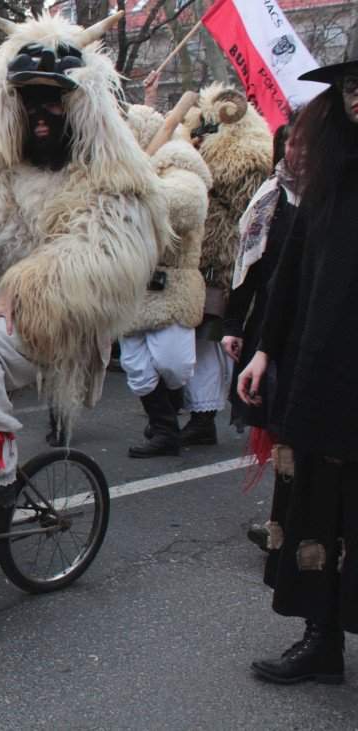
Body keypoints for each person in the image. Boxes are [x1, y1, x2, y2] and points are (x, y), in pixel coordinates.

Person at [0, 10, 165, 570]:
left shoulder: (112, 179)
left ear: (81, 107)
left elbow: (102, 258)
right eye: (28, 100)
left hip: (57, 324)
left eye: (54, 101)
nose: (40, 114)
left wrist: (22, 289)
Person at [238, 37, 358, 685]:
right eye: (349, 87)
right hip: (318, 378)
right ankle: (322, 642)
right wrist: (262, 347)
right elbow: (288, 275)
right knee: (319, 507)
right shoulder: (328, 175)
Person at [221, 120, 300, 551]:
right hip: (273, 328)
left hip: (317, 328)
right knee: (281, 430)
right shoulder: (270, 201)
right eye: (292, 144)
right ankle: (280, 523)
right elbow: (246, 272)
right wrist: (234, 326)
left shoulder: (331, 195)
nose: (299, 152)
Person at [180, 86, 272, 447]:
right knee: (189, 340)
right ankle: (192, 409)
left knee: (207, 340)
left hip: (220, 264)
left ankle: (203, 416)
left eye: (206, 130)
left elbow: (248, 215)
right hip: (192, 262)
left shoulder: (248, 163)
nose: (198, 138)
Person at [120, 104, 211, 458]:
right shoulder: (114, 170)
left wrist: (136, 191)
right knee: (136, 367)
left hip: (170, 284)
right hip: (131, 285)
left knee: (174, 363)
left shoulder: (178, 163)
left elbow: (187, 206)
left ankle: (171, 409)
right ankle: (164, 430)